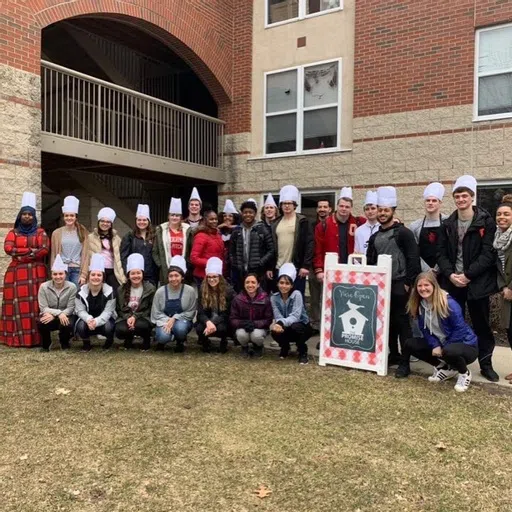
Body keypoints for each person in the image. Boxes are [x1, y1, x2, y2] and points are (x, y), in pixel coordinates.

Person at [437, 175, 499, 382]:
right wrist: (450, 275)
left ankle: (486, 364)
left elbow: (488, 253)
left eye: (465, 196)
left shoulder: (486, 222)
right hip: (453, 283)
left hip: (477, 283)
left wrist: (468, 274)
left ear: (472, 198)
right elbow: (441, 253)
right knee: (451, 323)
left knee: (481, 325)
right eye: (457, 196)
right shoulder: (448, 223)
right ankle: (453, 364)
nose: (461, 199)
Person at [367, 186, 421, 374]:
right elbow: (370, 261)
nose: (382, 213)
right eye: (380, 210)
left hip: (400, 284)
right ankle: (393, 354)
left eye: (386, 210)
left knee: (403, 324)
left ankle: (405, 362)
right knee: (386, 322)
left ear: (393, 211)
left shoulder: (404, 233)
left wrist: (409, 282)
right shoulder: (374, 236)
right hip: (381, 287)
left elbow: (413, 258)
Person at [397, 271, 478, 393]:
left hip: (466, 345)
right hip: (443, 344)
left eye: (426, 285)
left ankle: (464, 373)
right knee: (410, 343)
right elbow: (424, 329)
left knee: (449, 351)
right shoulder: (420, 304)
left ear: (434, 286)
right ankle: (445, 369)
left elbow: (460, 329)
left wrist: (444, 347)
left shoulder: (448, 302)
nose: (423, 289)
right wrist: (435, 345)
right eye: (420, 286)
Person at [0, 192, 49, 348]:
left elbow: (44, 249)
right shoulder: (13, 232)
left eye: (30, 214)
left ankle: (36, 339)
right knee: (16, 306)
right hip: (15, 275)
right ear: (20, 216)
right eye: (24, 214)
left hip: (36, 273)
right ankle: (15, 339)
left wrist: (21, 253)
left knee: (36, 304)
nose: (27, 217)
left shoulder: (41, 232)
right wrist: (31, 252)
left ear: (34, 217)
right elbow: (8, 249)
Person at [271, 185, 314, 298]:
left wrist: (305, 265)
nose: (287, 206)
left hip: (297, 268)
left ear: (294, 205)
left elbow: (309, 244)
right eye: (284, 203)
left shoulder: (303, 221)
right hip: (279, 267)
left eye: (289, 203)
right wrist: (270, 267)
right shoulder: (275, 223)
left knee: (297, 298)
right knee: (280, 298)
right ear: (281, 205)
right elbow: (271, 246)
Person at [314, 187, 365, 280]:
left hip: (353, 269)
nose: (344, 209)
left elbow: (375, 223)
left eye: (347, 207)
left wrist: (395, 220)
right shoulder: (323, 225)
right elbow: (318, 249)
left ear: (351, 208)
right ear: (337, 206)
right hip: (331, 270)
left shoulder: (359, 222)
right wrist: (319, 269)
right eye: (341, 206)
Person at [151, 255, 197, 352]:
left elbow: (191, 312)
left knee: (180, 329)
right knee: (163, 337)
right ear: (167, 278)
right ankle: (164, 339)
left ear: (182, 277)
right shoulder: (160, 291)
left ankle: (180, 341)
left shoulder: (190, 291)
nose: (173, 278)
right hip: (164, 321)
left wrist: (175, 318)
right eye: (171, 276)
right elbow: (156, 313)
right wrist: (168, 321)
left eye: (176, 275)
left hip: (182, 321)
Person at [270, 263, 312, 364]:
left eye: (287, 283)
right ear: (277, 283)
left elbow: (296, 316)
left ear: (292, 285)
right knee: (274, 331)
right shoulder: (273, 298)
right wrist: (278, 325)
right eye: (281, 282)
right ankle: (285, 347)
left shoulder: (297, 294)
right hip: (286, 326)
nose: (284, 286)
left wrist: (280, 323)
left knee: (295, 326)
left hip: (303, 326)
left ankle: (302, 351)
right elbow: (278, 315)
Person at [229, 200, 275, 292]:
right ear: (242, 214)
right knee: (242, 296)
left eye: (250, 212)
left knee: (259, 296)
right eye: (245, 212)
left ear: (255, 213)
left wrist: (261, 262)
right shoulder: (237, 231)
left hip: (258, 271)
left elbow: (271, 249)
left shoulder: (262, 229)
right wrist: (235, 263)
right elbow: (231, 251)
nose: (248, 215)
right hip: (241, 271)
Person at [75, 254, 117, 351]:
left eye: (99, 275)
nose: (96, 277)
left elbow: (108, 312)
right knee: (80, 326)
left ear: (103, 277)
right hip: (87, 321)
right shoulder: (81, 291)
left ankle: (109, 342)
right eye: (93, 275)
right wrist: (89, 319)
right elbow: (80, 310)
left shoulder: (110, 291)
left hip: (104, 320)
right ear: (89, 277)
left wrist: (96, 321)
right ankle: (86, 343)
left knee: (108, 327)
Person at [115, 253, 156, 351]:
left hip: (143, 317)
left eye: (138, 273)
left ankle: (146, 340)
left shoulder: (150, 288)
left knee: (142, 325)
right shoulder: (121, 289)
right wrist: (128, 317)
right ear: (128, 275)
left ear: (142, 274)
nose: (136, 276)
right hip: (126, 317)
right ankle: (128, 340)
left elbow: (151, 308)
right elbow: (118, 309)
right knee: (120, 329)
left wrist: (135, 317)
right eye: (132, 273)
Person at [37, 254, 77, 352]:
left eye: (61, 274)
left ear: (65, 274)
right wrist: (58, 314)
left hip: (66, 315)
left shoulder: (72, 287)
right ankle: (46, 344)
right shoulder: (44, 287)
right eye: (55, 274)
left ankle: (64, 343)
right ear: (51, 275)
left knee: (67, 323)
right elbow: (43, 308)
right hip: (51, 315)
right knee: (41, 322)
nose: (58, 277)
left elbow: (71, 307)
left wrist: (61, 314)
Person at [196, 257, 235, 353]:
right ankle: (205, 342)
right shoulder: (202, 289)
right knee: (199, 328)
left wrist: (213, 323)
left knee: (222, 328)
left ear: (219, 277)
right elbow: (200, 312)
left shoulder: (228, 291)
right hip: (208, 319)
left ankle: (223, 341)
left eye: (214, 277)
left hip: (222, 320)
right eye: (209, 277)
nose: (211, 279)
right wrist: (208, 322)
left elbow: (226, 314)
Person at [50, 195, 89, 287]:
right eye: (66, 215)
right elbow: (53, 254)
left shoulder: (83, 232)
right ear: (63, 217)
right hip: (62, 269)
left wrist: (84, 274)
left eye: (72, 215)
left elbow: (86, 254)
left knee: (76, 296)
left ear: (76, 217)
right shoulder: (56, 233)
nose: (69, 218)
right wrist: (54, 271)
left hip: (77, 269)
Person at [230, 273, 273, 358]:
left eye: (253, 282)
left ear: (258, 284)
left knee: (256, 335)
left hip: (259, 328)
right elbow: (232, 319)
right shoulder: (238, 299)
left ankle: (258, 347)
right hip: (243, 326)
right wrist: (243, 323)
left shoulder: (265, 299)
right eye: (247, 282)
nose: (250, 285)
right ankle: (244, 347)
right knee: (241, 334)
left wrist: (254, 324)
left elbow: (268, 319)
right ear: (244, 284)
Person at [409, 183, 448, 272]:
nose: (430, 203)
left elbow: (449, 248)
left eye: (434, 200)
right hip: (422, 273)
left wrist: (439, 268)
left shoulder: (448, 222)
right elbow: (414, 252)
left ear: (440, 203)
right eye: (428, 200)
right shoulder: (415, 226)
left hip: (444, 271)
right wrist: (427, 270)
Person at [88, 207, 126, 295]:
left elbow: (119, 257)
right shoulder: (90, 238)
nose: (105, 223)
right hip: (98, 271)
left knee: (116, 293)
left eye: (108, 222)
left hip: (113, 270)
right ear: (98, 222)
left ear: (111, 224)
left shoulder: (116, 238)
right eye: (102, 221)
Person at [495, 194, 512, 383]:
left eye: (506, 214)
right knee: (511, 331)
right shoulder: (497, 238)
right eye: (499, 214)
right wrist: (503, 287)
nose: (502, 217)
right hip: (506, 291)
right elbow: (498, 268)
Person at [308, 199, 332, 334]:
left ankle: (328, 324)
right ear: (317, 210)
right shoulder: (312, 225)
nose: (322, 209)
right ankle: (315, 324)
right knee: (315, 298)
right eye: (320, 207)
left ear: (330, 209)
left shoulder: (334, 224)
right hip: (314, 265)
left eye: (325, 206)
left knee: (329, 297)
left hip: (330, 265)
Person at [120, 204, 158, 286]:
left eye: (144, 220)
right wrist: (128, 272)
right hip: (135, 275)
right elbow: (124, 257)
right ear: (136, 221)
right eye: (139, 220)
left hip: (152, 276)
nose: (142, 222)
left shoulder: (154, 236)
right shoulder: (129, 236)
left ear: (149, 221)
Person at [190, 210, 225, 287]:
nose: (214, 221)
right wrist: (211, 264)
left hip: (216, 274)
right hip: (203, 275)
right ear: (205, 220)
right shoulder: (201, 236)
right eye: (211, 219)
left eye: (216, 219)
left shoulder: (217, 234)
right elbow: (194, 258)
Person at [218, 199, 239, 282]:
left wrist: (232, 227)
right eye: (225, 216)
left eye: (230, 216)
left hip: (234, 263)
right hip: (222, 261)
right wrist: (220, 226)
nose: (227, 218)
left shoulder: (238, 230)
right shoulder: (219, 230)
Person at [354, 191, 380, 255]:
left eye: (373, 208)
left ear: (378, 209)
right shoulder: (359, 231)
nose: (370, 211)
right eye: (367, 209)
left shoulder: (383, 228)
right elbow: (356, 253)